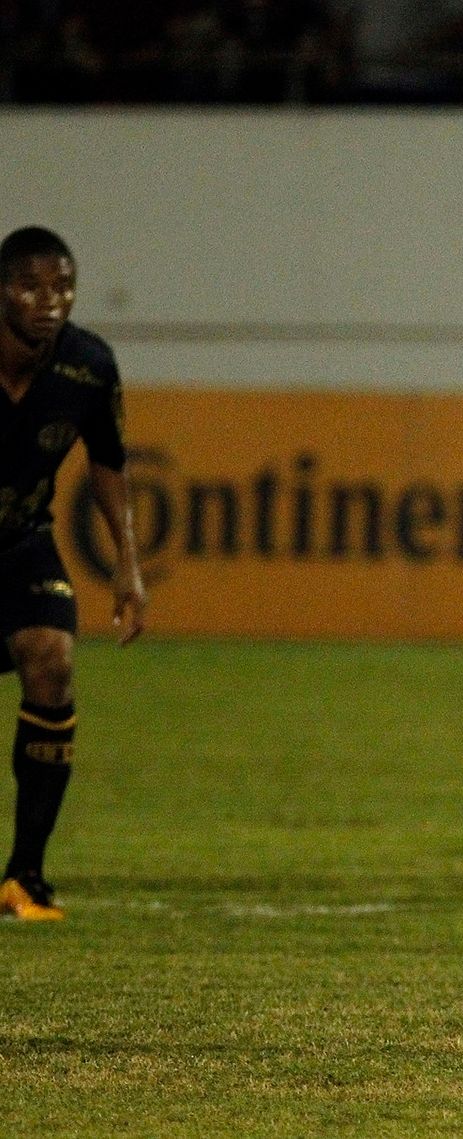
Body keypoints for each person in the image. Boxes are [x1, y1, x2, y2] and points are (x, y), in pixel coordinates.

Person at [0, 226, 147, 922]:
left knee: (53, 660)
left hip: (22, 545)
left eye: (61, 286)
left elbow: (110, 462)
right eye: (29, 285)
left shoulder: (89, 365)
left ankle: (25, 875)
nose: (47, 301)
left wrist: (127, 563)